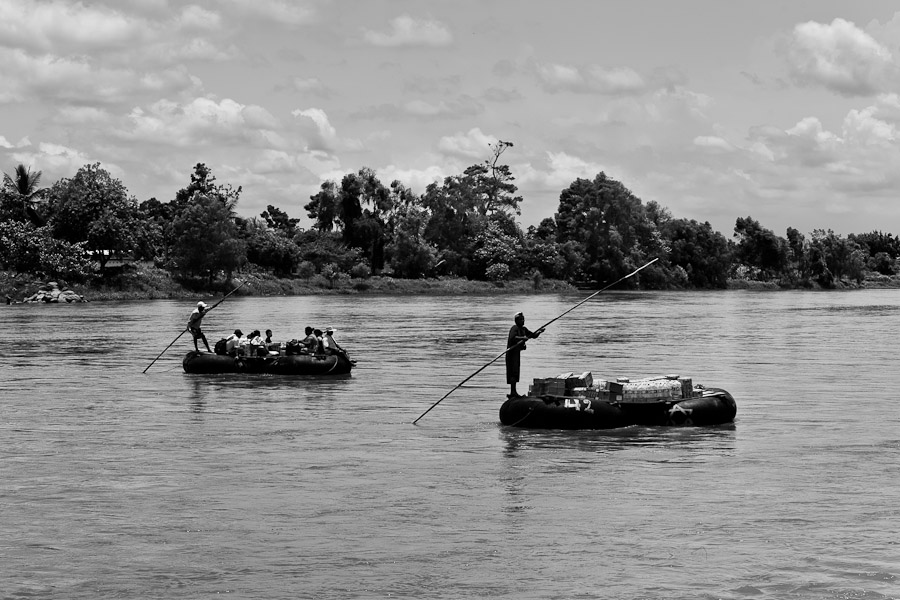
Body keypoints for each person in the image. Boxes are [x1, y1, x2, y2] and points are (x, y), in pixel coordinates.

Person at [506, 311, 544, 398]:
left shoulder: (524, 329)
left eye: (523, 319)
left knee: (516, 372)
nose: (523, 321)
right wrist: (523, 338)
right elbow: (513, 338)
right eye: (521, 319)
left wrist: (540, 331)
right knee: (512, 372)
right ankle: (512, 392)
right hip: (511, 354)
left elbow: (533, 335)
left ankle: (514, 392)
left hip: (517, 353)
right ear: (516, 321)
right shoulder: (514, 328)